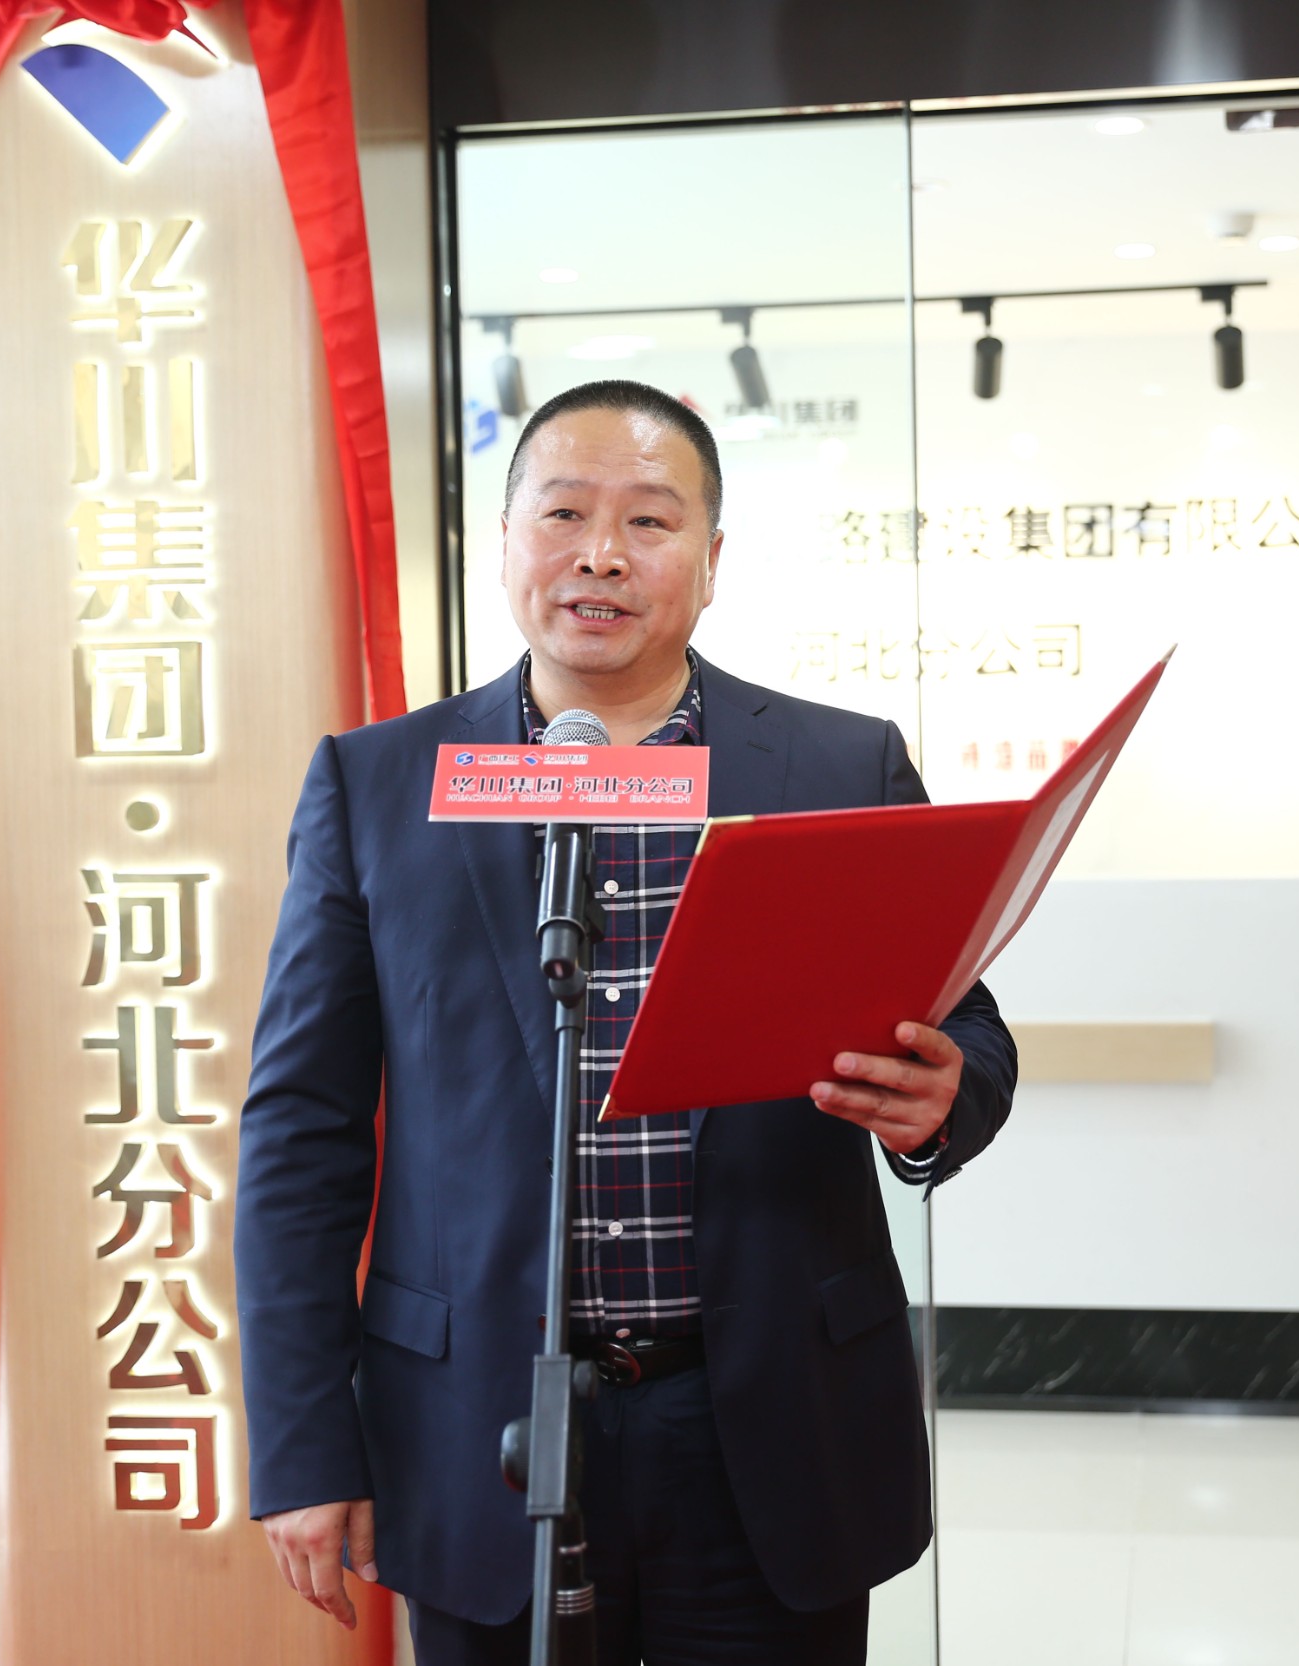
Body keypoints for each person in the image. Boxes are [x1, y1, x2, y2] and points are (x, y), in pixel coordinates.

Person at [234, 378, 1016, 1663]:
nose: (601, 553)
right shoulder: (379, 785)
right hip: (478, 1421)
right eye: (563, 513)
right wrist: (305, 1439)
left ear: (711, 561)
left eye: (650, 521)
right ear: (504, 541)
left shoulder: (836, 769)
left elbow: (968, 1028)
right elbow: (300, 1135)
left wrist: (943, 1099)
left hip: (768, 1420)